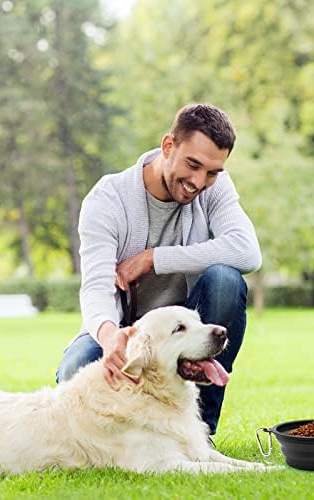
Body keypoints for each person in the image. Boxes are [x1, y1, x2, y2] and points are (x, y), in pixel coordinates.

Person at [56, 103, 261, 435]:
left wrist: (154, 258)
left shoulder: (215, 188)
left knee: (226, 279)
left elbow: (248, 252)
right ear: (168, 146)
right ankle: (128, 436)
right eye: (192, 165)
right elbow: (95, 288)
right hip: (124, 329)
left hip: (185, 330)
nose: (199, 182)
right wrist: (111, 339)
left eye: (212, 172)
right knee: (75, 368)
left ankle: (200, 433)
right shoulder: (107, 200)